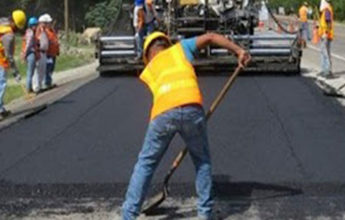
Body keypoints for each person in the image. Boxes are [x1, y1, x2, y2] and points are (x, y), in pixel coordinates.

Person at [122, 31, 251, 220]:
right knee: (202, 161)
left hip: (163, 114)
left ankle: (128, 215)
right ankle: (204, 214)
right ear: (166, 44)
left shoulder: (149, 68)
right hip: (192, 108)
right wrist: (239, 51)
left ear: (148, 54)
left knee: (146, 163)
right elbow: (211, 37)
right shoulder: (180, 49)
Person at [0, 10, 26, 119]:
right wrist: (16, 73)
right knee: (1, 85)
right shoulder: (9, 35)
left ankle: (1, 109)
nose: (16, 30)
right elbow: (9, 56)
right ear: (13, 23)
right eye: (16, 27)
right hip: (1, 62)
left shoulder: (1, 24)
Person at [32, 14, 49, 93]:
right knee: (38, 70)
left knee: (42, 69)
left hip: (44, 52)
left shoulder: (44, 30)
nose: (47, 24)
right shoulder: (38, 30)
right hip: (39, 52)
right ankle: (36, 87)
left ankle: (40, 85)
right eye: (45, 23)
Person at [21, 17, 39, 93]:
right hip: (30, 54)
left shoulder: (29, 32)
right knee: (30, 72)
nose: (36, 26)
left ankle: (30, 87)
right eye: (35, 25)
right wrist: (24, 54)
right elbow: (28, 45)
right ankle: (28, 89)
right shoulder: (30, 33)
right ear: (31, 25)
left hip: (31, 53)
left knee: (31, 72)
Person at [318, 0, 334, 78]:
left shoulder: (327, 10)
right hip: (324, 34)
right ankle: (324, 70)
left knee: (325, 53)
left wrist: (326, 33)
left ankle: (327, 71)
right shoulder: (325, 11)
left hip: (325, 35)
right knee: (323, 52)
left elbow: (328, 23)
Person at [44, 14, 59, 89]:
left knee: (52, 68)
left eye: (51, 22)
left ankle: (49, 81)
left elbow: (55, 40)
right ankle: (47, 82)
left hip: (53, 53)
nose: (51, 23)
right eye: (49, 22)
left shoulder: (52, 31)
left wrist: (57, 50)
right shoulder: (45, 32)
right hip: (48, 53)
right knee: (48, 68)